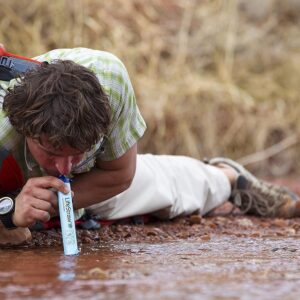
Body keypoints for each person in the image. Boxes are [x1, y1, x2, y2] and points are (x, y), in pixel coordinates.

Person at [0, 47, 299, 246]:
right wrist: (10, 212)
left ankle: (227, 178)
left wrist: (56, 202)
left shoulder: (109, 80)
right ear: (22, 128)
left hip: (94, 181)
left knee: (165, 188)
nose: (66, 167)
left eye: (76, 153)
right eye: (52, 152)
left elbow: (118, 175)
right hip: (10, 186)